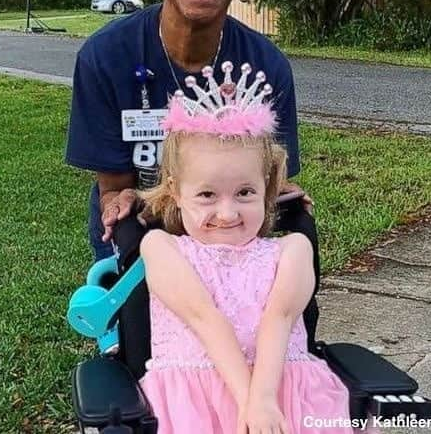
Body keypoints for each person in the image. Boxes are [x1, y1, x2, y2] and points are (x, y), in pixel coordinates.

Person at [65, 0, 307, 262]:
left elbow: (269, 181)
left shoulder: (266, 67)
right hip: (137, 245)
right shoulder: (105, 57)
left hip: (228, 244)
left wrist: (285, 196)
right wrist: (123, 202)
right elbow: (113, 189)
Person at [137, 64, 366, 434]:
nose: (227, 213)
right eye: (207, 194)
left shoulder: (292, 251)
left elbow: (279, 319)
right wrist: (249, 403)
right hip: (193, 406)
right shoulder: (162, 248)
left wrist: (263, 401)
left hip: (285, 393)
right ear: (176, 192)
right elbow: (203, 318)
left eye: (245, 193)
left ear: (268, 189)